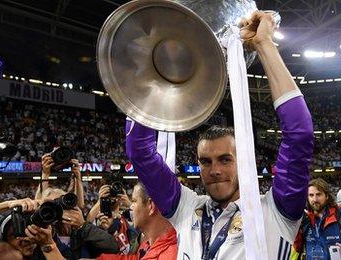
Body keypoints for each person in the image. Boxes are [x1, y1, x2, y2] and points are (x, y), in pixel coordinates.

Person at [126, 11, 314, 259]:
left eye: (225, 159)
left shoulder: (276, 211)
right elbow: (140, 152)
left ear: (246, 162)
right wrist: (158, 74)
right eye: (206, 161)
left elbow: (299, 134)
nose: (214, 170)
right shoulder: (187, 207)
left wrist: (264, 44)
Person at [98, 183, 178, 260]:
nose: (131, 206)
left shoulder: (170, 255)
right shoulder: (149, 242)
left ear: (151, 206)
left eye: (134, 201)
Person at [293, 179, 341, 260]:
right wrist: (296, 231)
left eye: (319, 194)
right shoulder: (303, 219)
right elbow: (298, 248)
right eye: (311, 195)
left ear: (327, 196)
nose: (315, 199)